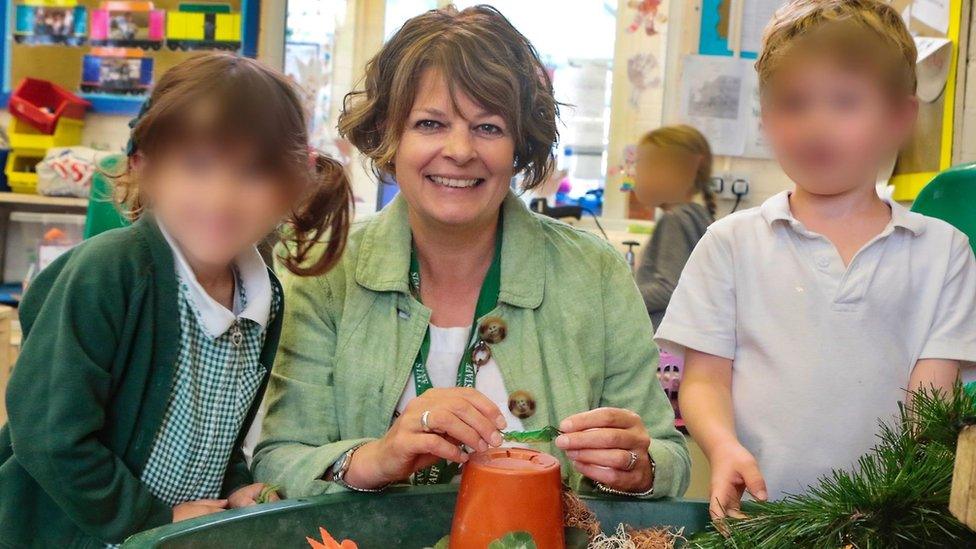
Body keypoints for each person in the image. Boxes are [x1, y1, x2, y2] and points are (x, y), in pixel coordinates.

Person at [253, 6, 689, 499]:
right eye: (431, 124)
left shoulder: (595, 272)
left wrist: (639, 467)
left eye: (488, 128)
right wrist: (375, 458)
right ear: (388, 137)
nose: (460, 150)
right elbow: (278, 460)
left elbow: (667, 453)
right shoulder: (324, 268)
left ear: (519, 145)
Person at [0, 53, 353, 546]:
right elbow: (48, 437)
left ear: (289, 186)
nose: (221, 196)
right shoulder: (108, 274)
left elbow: (215, 433)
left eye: (251, 171)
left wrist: (234, 490)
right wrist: (153, 517)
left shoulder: (261, 295)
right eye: (196, 165)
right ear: (146, 169)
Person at [657, 0, 976, 519]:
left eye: (845, 102)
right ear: (766, 118)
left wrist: (903, 505)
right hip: (758, 518)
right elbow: (705, 379)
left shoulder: (943, 253)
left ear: (899, 117)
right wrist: (721, 447)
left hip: (890, 523)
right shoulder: (730, 242)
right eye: (793, 104)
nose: (816, 124)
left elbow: (930, 407)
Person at [631, 125, 715, 328]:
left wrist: (619, 301)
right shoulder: (696, 215)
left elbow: (669, 288)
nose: (636, 175)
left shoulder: (675, 220)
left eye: (644, 166)